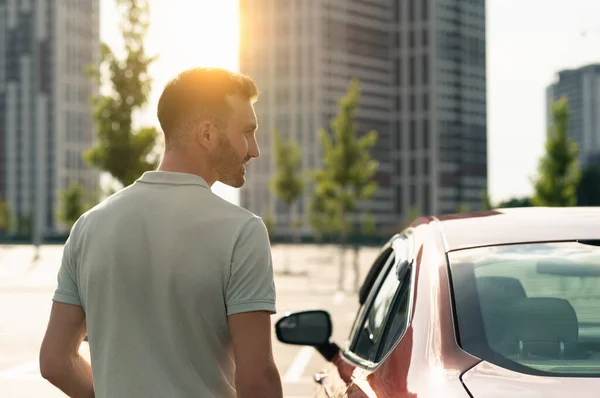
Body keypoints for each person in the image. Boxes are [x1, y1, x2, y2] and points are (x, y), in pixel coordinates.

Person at [39, 67, 283, 398]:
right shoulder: (242, 232)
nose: (254, 149)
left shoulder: (89, 226)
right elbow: (257, 381)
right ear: (207, 134)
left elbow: (55, 360)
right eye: (247, 132)